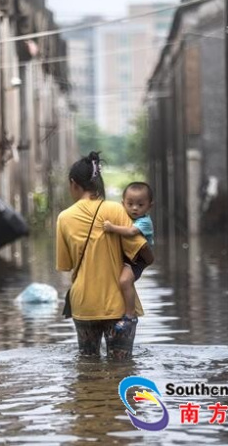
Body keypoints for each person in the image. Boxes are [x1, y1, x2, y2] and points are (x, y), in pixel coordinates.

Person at [56, 152, 154, 360]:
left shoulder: (64, 218)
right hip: (118, 305)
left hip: (83, 304)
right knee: (122, 368)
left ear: (74, 184)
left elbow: (65, 265)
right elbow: (143, 252)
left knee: (87, 366)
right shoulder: (116, 210)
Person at [103, 182, 154, 332]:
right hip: (129, 257)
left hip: (139, 259)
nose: (135, 208)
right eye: (130, 204)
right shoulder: (125, 216)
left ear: (149, 206)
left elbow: (131, 232)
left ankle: (130, 315)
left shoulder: (145, 222)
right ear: (122, 204)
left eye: (140, 205)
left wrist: (112, 227)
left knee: (125, 281)